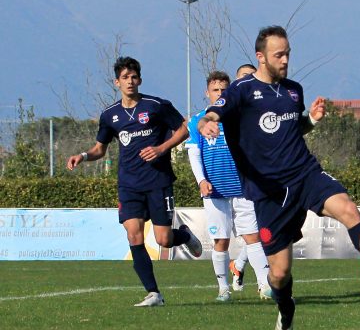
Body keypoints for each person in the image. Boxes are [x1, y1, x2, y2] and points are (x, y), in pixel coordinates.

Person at [198, 25, 360, 330]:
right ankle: (285, 307)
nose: (285, 60)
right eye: (279, 54)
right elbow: (214, 112)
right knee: (279, 274)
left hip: (304, 174)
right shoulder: (240, 90)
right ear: (261, 57)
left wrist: (312, 121)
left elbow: (291, 132)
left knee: (347, 208)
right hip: (268, 193)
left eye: (288, 53)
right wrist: (206, 121)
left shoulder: (294, 90)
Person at [67, 56, 203, 307]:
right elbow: (100, 148)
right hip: (129, 184)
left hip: (158, 181)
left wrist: (162, 148)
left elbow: (186, 128)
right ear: (117, 82)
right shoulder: (110, 115)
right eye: (125, 78)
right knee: (134, 235)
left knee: (162, 239)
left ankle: (183, 236)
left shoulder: (156, 106)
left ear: (139, 79)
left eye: (133, 77)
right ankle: (154, 294)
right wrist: (83, 156)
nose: (130, 81)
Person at [186, 70, 271, 302]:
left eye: (224, 90)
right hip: (215, 190)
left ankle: (265, 285)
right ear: (207, 93)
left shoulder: (240, 116)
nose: (220, 94)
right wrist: (201, 181)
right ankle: (223, 289)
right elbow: (194, 154)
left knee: (252, 236)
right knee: (221, 241)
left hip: (243, 188)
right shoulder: (198, 121)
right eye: (215, 90)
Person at [227, 63, 258, 291]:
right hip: (240, 185)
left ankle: (237, 265)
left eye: (251, 76)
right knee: (257, 236)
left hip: (265, 181)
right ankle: (265, 284)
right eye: (243, 77)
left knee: (265, 233)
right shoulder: (229, 113)